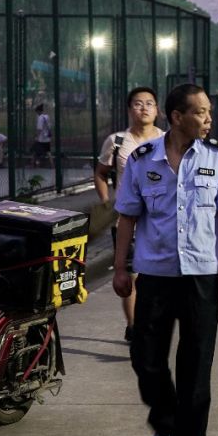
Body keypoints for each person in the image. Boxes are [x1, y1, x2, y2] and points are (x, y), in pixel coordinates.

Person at [112, 83, 218, 436]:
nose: (208, 119)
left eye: (208, 112)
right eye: (200, 112)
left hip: (201, 275)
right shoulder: (142, 159)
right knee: (146, 358)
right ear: (177, 117)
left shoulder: (216, 156)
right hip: (155, 275)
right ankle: (165, 420)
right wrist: (121, 268)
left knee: (196, 363)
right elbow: (126, 217)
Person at [95, 87, 163, 342]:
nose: (144, 108)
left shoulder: (166, 140)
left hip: (159, 220)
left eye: (149, 103)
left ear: (158, 110)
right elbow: (101, 173)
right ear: (129, 109)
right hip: (126, 220)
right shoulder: (117, 141)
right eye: (138, 103)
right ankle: (135, 326)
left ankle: (151, 323)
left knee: (155, 276)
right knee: (130, 275)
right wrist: (106, 201)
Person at [32, 103, 52, 168]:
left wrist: (36, 137)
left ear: (38, 111)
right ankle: (52, 164)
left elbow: (39, 129)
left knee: (36, 151)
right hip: (47, 137)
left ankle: (34, 164)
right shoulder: (47, 116)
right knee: (48, 152)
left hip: (41, 138)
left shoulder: (40, 118)